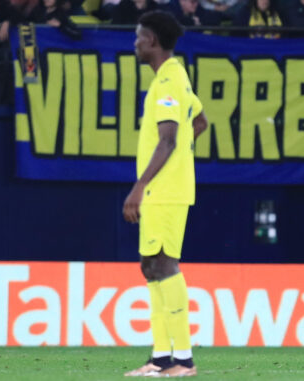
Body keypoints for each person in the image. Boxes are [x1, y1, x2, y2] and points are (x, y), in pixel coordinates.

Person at [122, 10, 208, 377]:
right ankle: (160, 359)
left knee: (164, 265)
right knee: (150, 266)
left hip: (163, 191)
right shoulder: (175, 77)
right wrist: (183, 155)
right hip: (168, 186)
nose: (136, 42)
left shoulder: (169, 80)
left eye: (139, 36)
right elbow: (200, 121)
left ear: (152, 41)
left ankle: (183, 360)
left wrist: (139, 188)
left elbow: (169, 139)